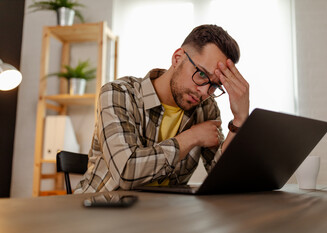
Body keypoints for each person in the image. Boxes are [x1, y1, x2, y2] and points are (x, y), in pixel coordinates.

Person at [74, 24, 249, 193]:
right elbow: (126, 172)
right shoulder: (118, 93)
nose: (204, 91)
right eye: (202, 74)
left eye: (215, 86)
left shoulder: (206, 108)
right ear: (177, 58)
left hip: (158, 214)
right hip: (98, 209)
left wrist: (239, 119)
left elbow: (222, 178)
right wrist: (191, 138)